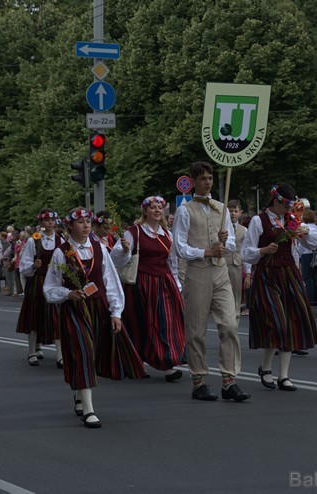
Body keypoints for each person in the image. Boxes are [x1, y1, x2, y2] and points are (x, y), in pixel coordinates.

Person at [44, 207, 146, 428]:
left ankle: (81, 395)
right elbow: (50, 286)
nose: (86, 225)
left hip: (98, 307)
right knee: (83, 351)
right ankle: (89, 409)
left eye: (88, 221)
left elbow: (111, 282)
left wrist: (116, 313)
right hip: (74, 308)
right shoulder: (61, 252)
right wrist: (67, 293)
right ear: (70, 226)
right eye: (80, 222)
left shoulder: (99, 248)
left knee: (95, 352)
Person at [173, 161, 250, 402]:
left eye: (210, 178)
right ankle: (198, 380)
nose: (207, 182)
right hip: (197, 273)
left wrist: (223, 244)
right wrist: (206, 251)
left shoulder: (223, 208)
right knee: (196, 330)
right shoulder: (186, 210)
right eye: (203, 178)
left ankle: (229, 380)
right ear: (193, 181)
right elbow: (179, 247)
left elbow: (229, 245)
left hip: (221, 273)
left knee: (229, 324)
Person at [242, 184, 317, 391]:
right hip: (267, 274)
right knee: (277, 322)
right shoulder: (259, 221)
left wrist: (303, 230)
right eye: (286, 206)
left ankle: (283, 376)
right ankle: (266, 367)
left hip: (289, 274)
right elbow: (246, 252)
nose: (288, 211)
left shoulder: (292, 221)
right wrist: (263, 250)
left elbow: (313, 244)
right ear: (276, 202)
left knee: (291, 322)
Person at [120, 196, 186, 382]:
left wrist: (176, 283)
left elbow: (172, 261)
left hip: (164, 282)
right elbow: (118, 259)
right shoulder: (134, 232)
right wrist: (125, 251)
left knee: (167, 321)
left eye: (160, 207)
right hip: (142, 283)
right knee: (142, 322)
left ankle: (168, 363)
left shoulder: (167, 234)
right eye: (152, 207)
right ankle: (137, 361)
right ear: (144, 211)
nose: (157, 210)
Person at [16, 209, 63, 367]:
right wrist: (33, 265)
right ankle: (32, 351)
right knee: (34, 315)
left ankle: (60, 355)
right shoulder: (33, 240)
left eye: (52, 219)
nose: (51, 222)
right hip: (38, 281)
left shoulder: (60, 240)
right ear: (41, 222)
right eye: (47, 220)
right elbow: (24, 265)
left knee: (56, 317)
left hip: (54, 282)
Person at [225, 200, 251, 321]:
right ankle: (225, 319)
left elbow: (246, 253)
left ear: (240, 213)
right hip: (222, 266)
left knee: (236, 296)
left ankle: (235, 319)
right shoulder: (221, 228)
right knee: (223, 296)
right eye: (230, 211)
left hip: (236, 266)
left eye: (236, 211)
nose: (233, 214)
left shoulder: (244, 231)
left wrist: (248, 274)